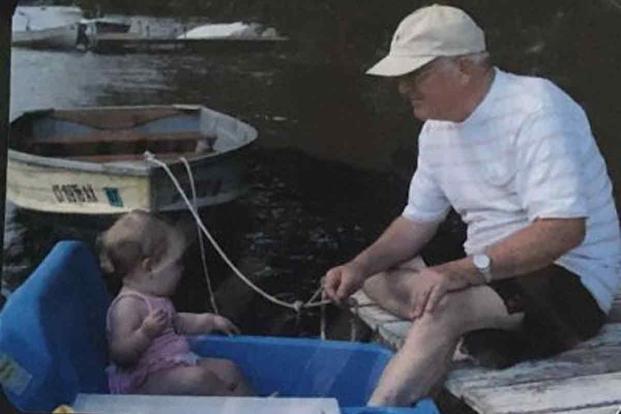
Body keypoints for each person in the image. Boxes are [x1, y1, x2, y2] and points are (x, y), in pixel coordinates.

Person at [324, 4, 621, 407]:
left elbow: (563, 229)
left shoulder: (537, 109)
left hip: (571, 282)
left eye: (415, 75)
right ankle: (478, 329)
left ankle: (381, 407)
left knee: (441, 306)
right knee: (372, 278)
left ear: (463, 67)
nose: (403, 87)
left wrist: (460, 273)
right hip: (493, 275)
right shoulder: (435, 130)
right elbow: (416, 221)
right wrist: (358, 266)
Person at [99, 210, 255, 396]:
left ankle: (256, 406)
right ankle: (235, 408)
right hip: (143, 381)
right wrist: (144, 334)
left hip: (174, 365)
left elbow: (177, 322)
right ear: (149, 267)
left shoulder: (156, 297)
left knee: (228, 369)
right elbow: (119, 354)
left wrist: (209, 320)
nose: (181, 270)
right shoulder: (127, 305)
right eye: (176, 264)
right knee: (198, 380)